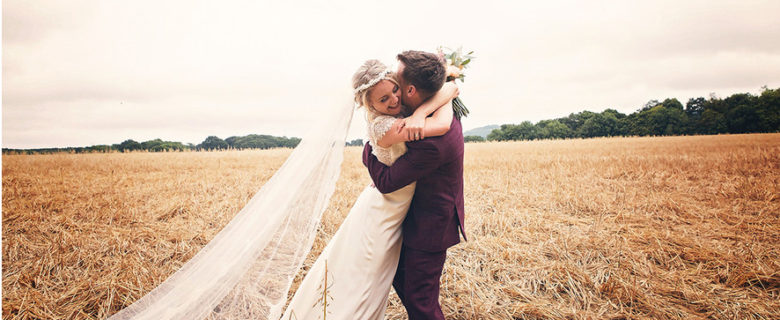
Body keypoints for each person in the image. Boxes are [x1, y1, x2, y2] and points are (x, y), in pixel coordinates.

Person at [280, 58, 458, 320]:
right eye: (384, 100)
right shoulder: (386, 126)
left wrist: (444, 86)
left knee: (376, 278)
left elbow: (452, 90)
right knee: (363, 280)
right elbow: (442, 123)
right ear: (370, 106)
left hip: (396, 207)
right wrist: (430, 105)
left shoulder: (402, 114)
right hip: (384, 211)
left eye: (395, 90)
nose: (394, 101)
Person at [363, 50, 467, 320]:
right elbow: (451, 86)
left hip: (429, 226)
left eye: (396, 81)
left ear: (410, 89)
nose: (391, 81)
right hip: (413, 217)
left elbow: (385, 182)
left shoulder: (428, 140)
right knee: (404, 281)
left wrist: (368, 150)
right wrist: (421, 110)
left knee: (420, 299)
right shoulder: (427, 104)